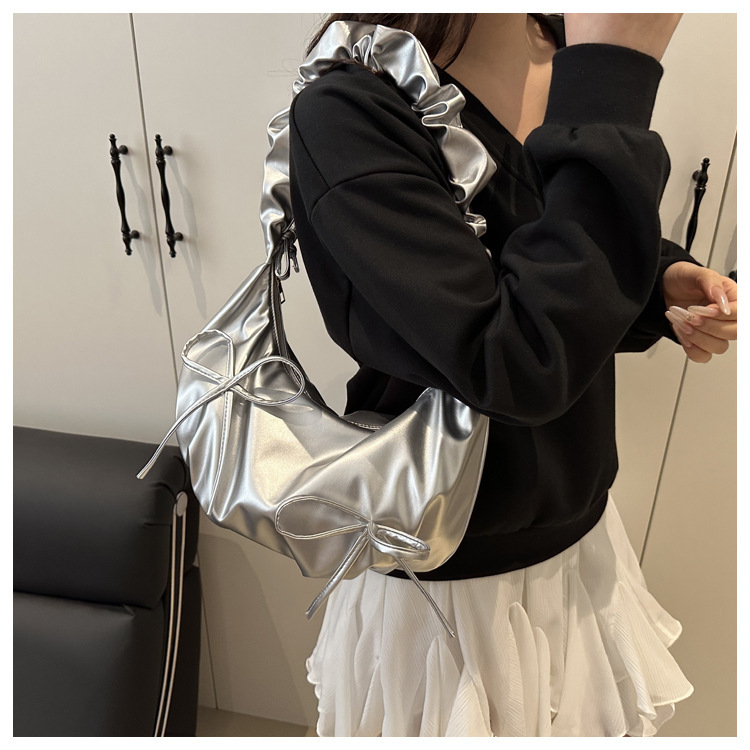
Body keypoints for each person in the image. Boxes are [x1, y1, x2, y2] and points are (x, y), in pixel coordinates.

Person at [286, 13, 738, 737]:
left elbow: (546, 259)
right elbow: (513, 359)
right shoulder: (353, 108)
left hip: (581, 541)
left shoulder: (561, 52)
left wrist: (657, 282)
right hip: (450, 588)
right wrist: (617, 69)